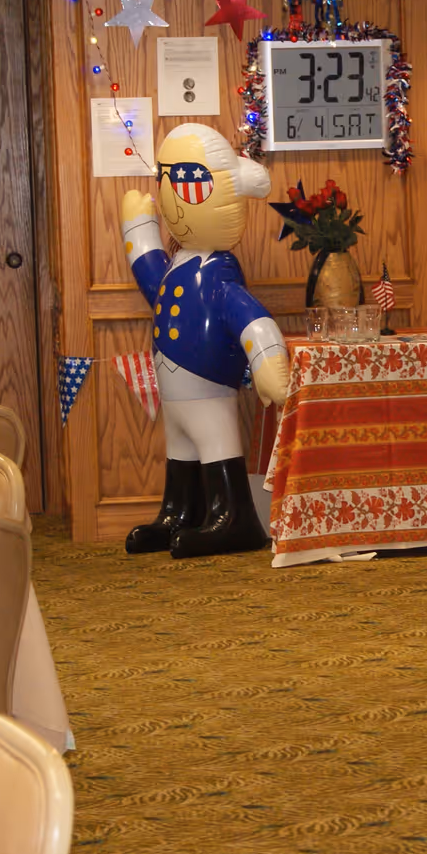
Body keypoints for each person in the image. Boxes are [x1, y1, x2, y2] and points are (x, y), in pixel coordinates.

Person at [118, 123, 290, 557]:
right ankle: (180, 512)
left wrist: (267, 360)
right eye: (167, 179)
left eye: (191, 183)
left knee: (215, 443)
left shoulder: (220, 273)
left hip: (207, 382)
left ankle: (233, 517)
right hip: (175, 389)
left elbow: (250, 315)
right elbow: (151, 277)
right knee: (179, 449)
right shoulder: (179, 263)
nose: (174, 197)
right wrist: (139, 228)